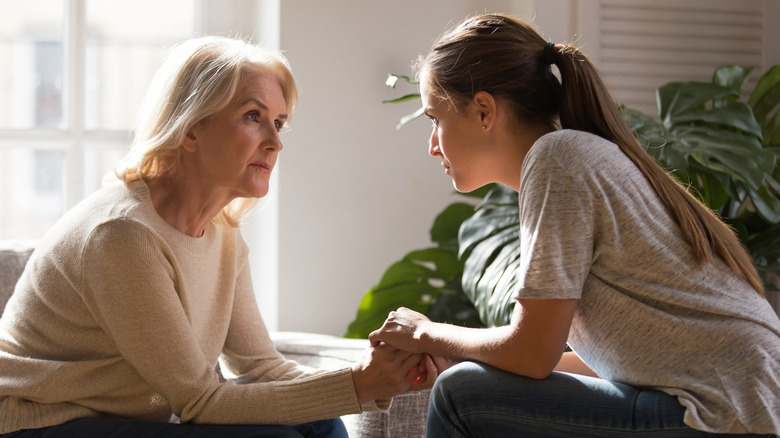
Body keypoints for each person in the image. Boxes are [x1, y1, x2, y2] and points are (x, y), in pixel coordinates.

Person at [0, 36, 439, 437]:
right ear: (191, 128)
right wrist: (358, 385)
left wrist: (370, 376)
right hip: (42, 419)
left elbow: (260, 366)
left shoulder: (224, 235)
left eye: (279, 123)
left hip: (117, 418)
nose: (275, 143)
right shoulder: (122, 235)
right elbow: (198, 400)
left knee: (319, 424)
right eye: (254, 117)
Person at [369, 13, 780, 437]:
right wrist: (467, 357)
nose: (432, 145)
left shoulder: (557, 160)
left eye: (435, 118)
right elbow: (608, 361)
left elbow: (532, 355)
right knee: (466, 381)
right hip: (738, 407)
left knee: (459, 396)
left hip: (720, 412)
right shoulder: (574, 157)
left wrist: (428, 332)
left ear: (484, 111)